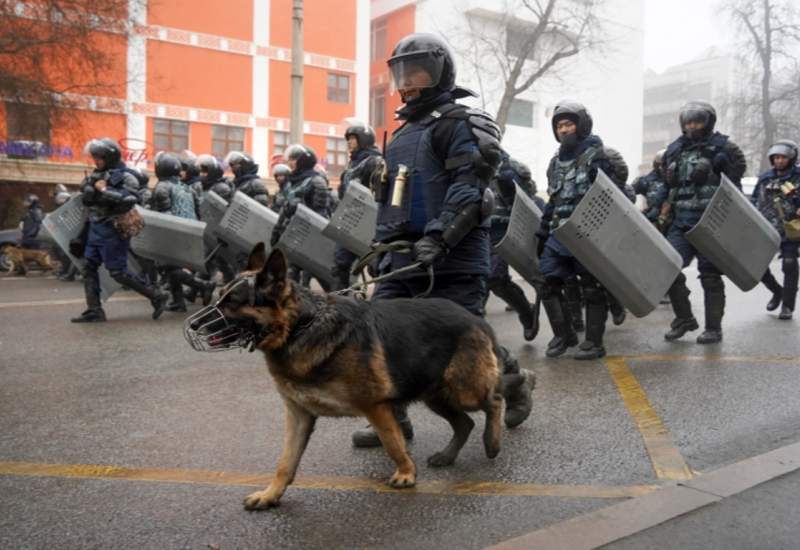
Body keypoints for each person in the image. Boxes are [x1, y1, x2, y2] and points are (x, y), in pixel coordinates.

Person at [350, 33, 534, 449]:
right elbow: (392, 202)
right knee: (379, 336)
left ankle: (516, 384)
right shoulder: (401, 136)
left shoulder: (463, 123)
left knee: (465, 345)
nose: (408, 82)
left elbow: (469, 189)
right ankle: (394, 421)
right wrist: (382, 250)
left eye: (417, 72)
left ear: (439, 72)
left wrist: (440, 237)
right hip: (402, 257)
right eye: (401, 73)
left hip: (454, 256)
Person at [536, 100, 621, 360]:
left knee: (592, 288)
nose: (563, 130)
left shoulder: (598, 156)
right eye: (559, 125)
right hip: (558, 233)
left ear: (581, 125)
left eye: (569, 124)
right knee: (547, 283)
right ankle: (564, 335)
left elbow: (611, 197)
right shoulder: (555, 162)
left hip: (588, 233)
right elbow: (554, 199)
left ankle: (594, 342)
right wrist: (542, 231)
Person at [662, 101, 747, 344]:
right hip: (682, 221)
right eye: (688, 122)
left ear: (708, 122)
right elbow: (669, 186)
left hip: (712, 221)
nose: (692, 126)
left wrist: (724, 167)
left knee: (709, 275)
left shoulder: (726, 148)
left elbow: (735, 185)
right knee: (667, 267)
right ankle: (684, 318)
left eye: (697, 121)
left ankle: (713, 328)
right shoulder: (675, 150)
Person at [71, 138, 166, 323]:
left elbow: (130, 199)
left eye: (99, 157)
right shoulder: (97, 173)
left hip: (113, 229)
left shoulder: (125, 175)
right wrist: (89, 188)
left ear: (109, 157)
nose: (96, 161)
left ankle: (156, 295)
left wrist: (104, 189)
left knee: (118, 272)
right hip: (94, 227)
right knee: (88, 268)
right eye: (94, 157)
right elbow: (87, 196)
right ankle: (94, 310)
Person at [150, 152, 215, 312]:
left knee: (170, 268)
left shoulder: (162, 187)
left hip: (172, 233)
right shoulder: (187, 188)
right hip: (189, 232)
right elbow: (199, 212)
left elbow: (164, 215)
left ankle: (203, 285)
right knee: (173, 268)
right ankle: (179, 302)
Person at [488, 154, 541, 341]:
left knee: (495, 279)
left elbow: (525, 197)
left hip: (503, 229)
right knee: (476, 283)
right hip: (474, 228)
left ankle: (526, 312)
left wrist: (507, 179)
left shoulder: (507, 165)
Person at [270, 144, 333, 290]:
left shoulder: (317, 181)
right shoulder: (292, 182)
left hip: (310, 237)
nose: (290, 163)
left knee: (324, 278)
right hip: (294, 235)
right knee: (292, 276)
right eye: (290, 159)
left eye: (294, 159)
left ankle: (339, 302)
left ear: (304, 160)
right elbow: (285, 210)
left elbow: (320, 215)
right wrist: (277, 231)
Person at [331, 122, 383, 290]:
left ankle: (380, 304)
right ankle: (340, 305)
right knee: (340, 264)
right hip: (350, 221)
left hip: (369, 223)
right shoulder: (350, 167)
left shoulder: (374, 162)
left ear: (364, 140)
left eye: (353, 138)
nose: (349, 142)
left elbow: (379, 194)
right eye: (348, 139)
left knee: (376, 267)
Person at [752, 140, 800, 320]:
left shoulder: (797, 176)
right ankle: (777, 291)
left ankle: (787, 305)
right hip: (766, 227)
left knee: (789, 264)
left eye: (783, 158)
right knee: (757, 266)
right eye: (776, 157)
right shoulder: (765, 177)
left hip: (789, 227)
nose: (779, 161)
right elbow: (755, 200)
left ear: (792, 158)